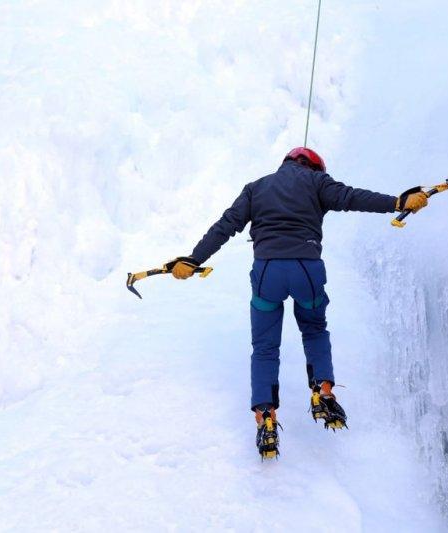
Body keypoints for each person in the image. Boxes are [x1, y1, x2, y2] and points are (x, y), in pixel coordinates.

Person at [167, 147, 428, 459]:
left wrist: (194, 259)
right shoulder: (318, 182)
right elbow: (352, 197)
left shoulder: (255, 188)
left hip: (267, 273)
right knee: (315, 330)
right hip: (307, 270)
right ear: (315, 168)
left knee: (265, 347)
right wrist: (398, 202)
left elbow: (226, 225)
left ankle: (266, 416)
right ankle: (323, 392)